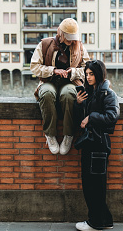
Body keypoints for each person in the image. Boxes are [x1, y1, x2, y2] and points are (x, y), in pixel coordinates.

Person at [30, 18, 90, 155]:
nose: (71, 41)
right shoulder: (45, 44)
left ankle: (68, 135)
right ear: (61, 34)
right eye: (69, 38)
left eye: (73, 38)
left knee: (69, 94)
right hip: (48, 81)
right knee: (46, 93)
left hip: (70, 82)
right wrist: (53, 70)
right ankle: (50, 134)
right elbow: (34, 67)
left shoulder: (79, 46)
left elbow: (87, 68)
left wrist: (73, 72)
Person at [74, 60, 120, 231]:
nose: (88, 77)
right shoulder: (90, 93)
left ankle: (95, 222)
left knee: (94, 185)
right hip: (90, 143)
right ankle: (105, 219)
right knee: (93, 183)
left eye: (91, 74)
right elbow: (79, 120)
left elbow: (112, 116)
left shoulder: (108, 94)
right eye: (86, 74)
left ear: (99, 74)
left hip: (99, 144)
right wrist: (78, 104)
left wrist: (91, 117)